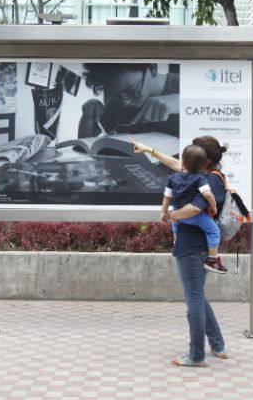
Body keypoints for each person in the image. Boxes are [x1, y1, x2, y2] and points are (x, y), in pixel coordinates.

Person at [133, 135, 229, 367]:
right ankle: (218, 344)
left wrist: (169, 215)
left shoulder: (211, 182)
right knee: (198, 295)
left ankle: (196, 356)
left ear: (203, 161)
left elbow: (194, 209)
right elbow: (175, 164)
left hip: (192, 247)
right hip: (195, 245)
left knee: (194, 298)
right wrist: (149, 150)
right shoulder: (200, 174)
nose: (183, 161)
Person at [162, 145, 228, 275]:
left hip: (177, 215)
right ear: (203, 165)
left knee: (175, 227)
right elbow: (208, 195)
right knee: (214, 231)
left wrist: (165, 213)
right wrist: (213, 207)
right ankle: (212, 260)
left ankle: (176, 243)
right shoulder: (200, 178)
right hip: (195, 217)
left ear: (183, 162)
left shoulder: (173, 178)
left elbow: (167, 196)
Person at [78, 63, 179, 137]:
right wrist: (88, 117)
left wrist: (186, 105)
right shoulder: (116, 102)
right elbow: (87, 146)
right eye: (115, 95)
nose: (125, 103)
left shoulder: (189, 85)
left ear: (152, 68)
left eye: (131, 90)